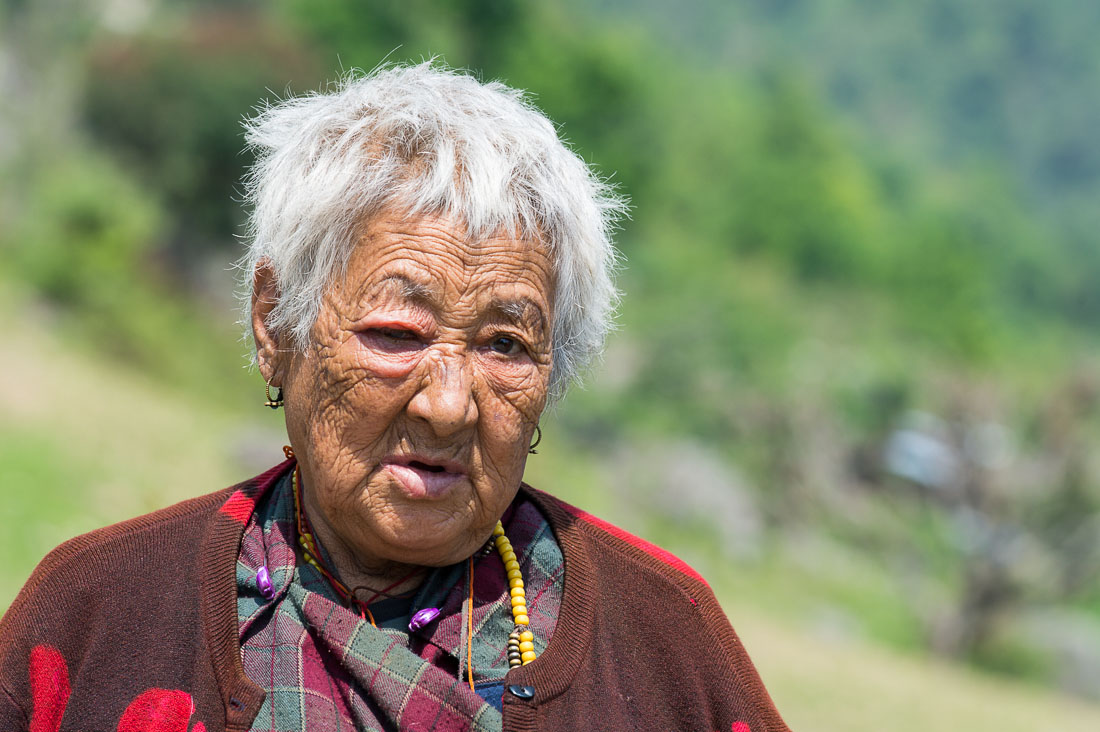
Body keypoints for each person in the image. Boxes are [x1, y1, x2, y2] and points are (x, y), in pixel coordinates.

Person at [0, 63, 790, 732]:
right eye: (397, 334)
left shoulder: (663, 640)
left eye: (505, 346)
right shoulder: (96, 613)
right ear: (277, 324)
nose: (449, 406)